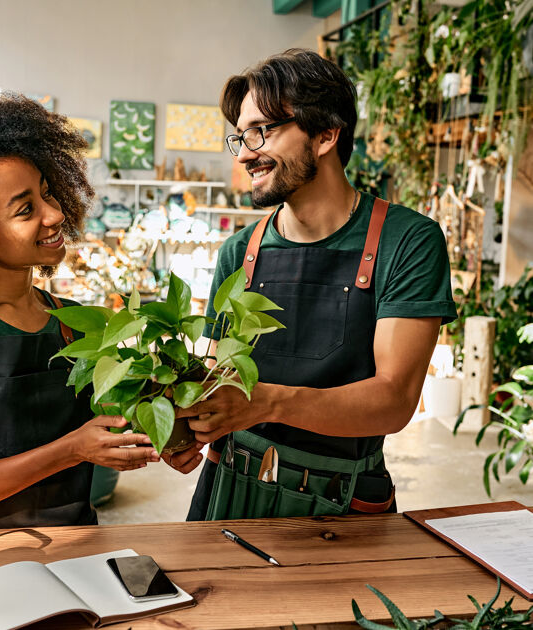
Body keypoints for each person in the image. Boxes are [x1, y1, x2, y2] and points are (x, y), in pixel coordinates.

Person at [166, 49, 458, 520]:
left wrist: (266, 403)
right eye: (239, 137)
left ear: (326, 134)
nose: (244, 154)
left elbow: (395, 401)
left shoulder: (406, 241)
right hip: (229, 487)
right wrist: (183, 424)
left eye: (263, 131)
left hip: (340, 503)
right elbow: (222, 377)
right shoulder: (239, 252)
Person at [0, 95, 160, 532]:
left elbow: (115, 424)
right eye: (26, 209)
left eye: (46, 192)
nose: (56, 213)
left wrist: (168, 436)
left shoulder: (76, 321)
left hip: (76, 554)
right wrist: (70, 451)